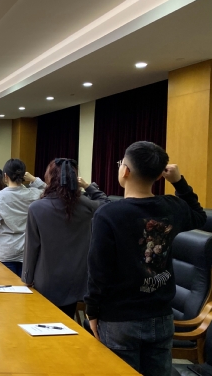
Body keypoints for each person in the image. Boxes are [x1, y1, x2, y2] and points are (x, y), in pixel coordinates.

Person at [85, 141, 207, 376]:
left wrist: (92, 310)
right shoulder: (172, 206)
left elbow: (99, 270)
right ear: (160, 175)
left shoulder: (108, 214)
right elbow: (199, 216)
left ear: (125, 171)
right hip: (161, 316)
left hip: (119, 318)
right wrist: (179, 182)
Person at [21, 158, 109, 318]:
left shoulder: (37, 208)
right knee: (67, 322)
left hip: (45, 281)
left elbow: (31, 248)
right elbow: (106, 204)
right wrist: (87, 186)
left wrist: (27, 278)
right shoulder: (86, 205)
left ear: (50, 178)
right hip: (76, 281)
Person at [0, 158, 45, 277]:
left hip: (6, 249)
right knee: (26, 287)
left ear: (5, 176)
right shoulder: (34, 194)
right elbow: (50, 192)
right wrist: (34, 179)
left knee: (6, 286)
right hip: (28, 249)